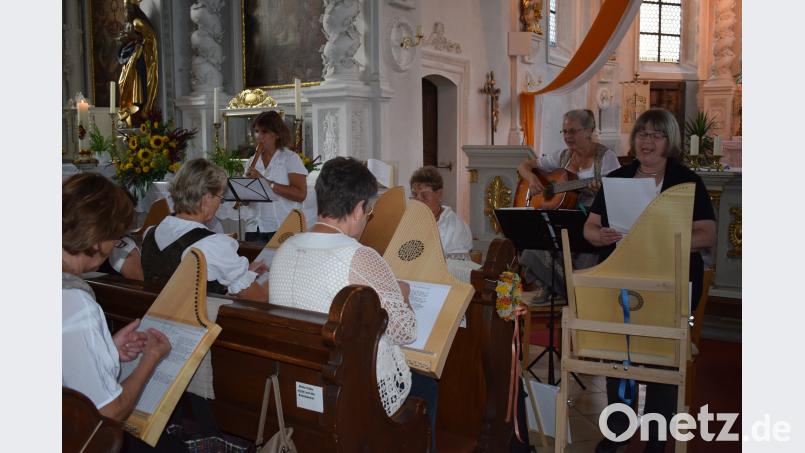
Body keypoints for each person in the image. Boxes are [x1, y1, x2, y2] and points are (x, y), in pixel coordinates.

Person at [270, 157, 438, 449]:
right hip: (350, 393)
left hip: (296, 382)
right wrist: (403, 295)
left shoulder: (285, 248)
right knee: (429, 385)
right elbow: (405, 331)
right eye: (368, 210)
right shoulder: (360, 257)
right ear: (359, 207)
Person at [585, 109, 716, 453]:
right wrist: (600, 236)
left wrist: (662, 237)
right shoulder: (619, 177)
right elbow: (590, 227)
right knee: (619, 355)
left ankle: (658, 439)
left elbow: (708, 233)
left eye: (656, 135)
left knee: (663, 358)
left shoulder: (686, 181)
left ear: (668, 141)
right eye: (642, 134)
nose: (647, 141)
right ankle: (618, 429)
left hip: (670, 281)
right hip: (623, 279)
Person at [62, 173, 173, 443]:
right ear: (98, 237)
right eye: (117, 235)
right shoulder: (74, 302)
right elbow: (107, 414)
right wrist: (150, 361)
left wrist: (106, 349)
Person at [516, 109, 621, 296]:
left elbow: (617, 191)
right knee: (532, 248)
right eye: (564, 131)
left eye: (573, 131)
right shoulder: (562, 156)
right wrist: (532, 179)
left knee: (585, 260)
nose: (567, 136)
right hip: (562, 220)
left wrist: (601, 192)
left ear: (589, 130)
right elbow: (524, 166)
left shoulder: (606, 157)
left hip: (590, 224)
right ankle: (560, 291)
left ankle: (573, 294)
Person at [140, 158, 269, 301]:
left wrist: (245, 274)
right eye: (220, 197)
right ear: (207, 199)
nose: (220, 202)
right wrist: (281, 275)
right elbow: (259, 297)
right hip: (201, 322)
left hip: (154, 319)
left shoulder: (150, 233)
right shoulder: (212, 244)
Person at [243, 111, 309, 243]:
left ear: (277, 134)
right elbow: (249, 199)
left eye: (264, 132)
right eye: (256, 131)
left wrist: (266, 182)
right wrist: (242, 195)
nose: (259, 136)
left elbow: (301, 194)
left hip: (281, 226)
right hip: (254, 227)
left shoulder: (290, 158)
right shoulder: (251, 161)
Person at [409, 165, 473, 260]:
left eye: (424, 195)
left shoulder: (455, 227)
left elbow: (458, 268)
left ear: (439, 194)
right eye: (414, 194)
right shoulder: (408, 221)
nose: (418, 200)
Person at [117, 0, 158, 127]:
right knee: (122, 82)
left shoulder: (137, 22)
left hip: (139, 59)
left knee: (136, 85)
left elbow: (149, 39)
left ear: (134, 9)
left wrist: (133, 37)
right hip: (131, 57)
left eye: (128, 9)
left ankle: (137, 106)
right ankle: (129, 109)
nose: (126, 12)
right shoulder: (129, 24)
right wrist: (125, 40)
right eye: (124, 9)